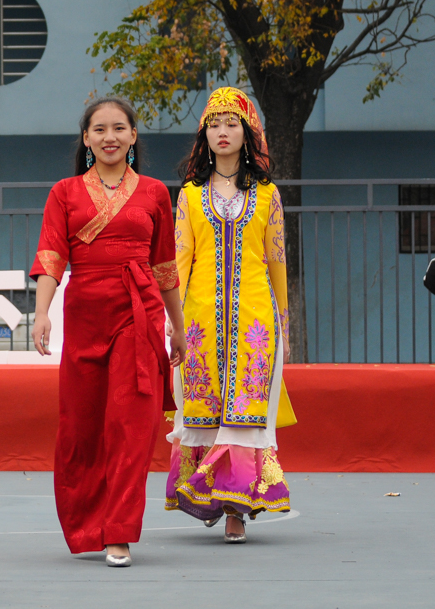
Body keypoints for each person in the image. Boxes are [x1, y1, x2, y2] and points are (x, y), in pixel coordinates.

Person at [29, 96, 186, 567]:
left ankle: (119, 531)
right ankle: (86, 523)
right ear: (86, 138)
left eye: (119, 128)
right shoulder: (65, 192)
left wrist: (178, 330)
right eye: (100, 129)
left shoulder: (157, 192)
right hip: (83, 315)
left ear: (134, 137)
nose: (110, 137)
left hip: (137, 315)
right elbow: (51, 256)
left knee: (130, 423)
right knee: (81, 426)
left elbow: (164, 267)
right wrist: (42, 313)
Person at [164, 87, 295, 542]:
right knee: (207, 410)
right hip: (199, 320)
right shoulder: (189, 195)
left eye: (232, 123)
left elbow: (276, 259)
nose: (223, 132)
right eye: (215, 124)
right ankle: (214, 497)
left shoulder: (268, 195)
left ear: (247, 133)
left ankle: (237, 507)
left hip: (256, 321)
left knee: (244, 413)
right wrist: (173, 319)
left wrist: (283, 319)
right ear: (205, 135)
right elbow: (180, 259)